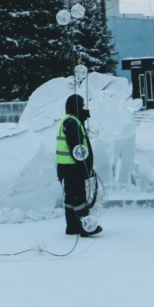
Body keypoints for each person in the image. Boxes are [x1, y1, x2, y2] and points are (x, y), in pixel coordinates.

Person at [57, 93, 102, 237]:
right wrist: (85, 167)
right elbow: (77, 149)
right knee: (79, 197)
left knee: (70, 198)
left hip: (65, 168)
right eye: (82, 106)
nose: (84, 110)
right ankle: (85, 227)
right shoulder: (73, 123)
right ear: (75, 107)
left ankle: (72, 227)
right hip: (73, 169)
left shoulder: (68, 121)